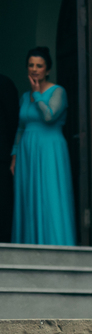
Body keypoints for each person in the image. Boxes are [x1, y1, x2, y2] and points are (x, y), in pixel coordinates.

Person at [10, 47, 74, 246]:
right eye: (31, 65)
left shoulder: (58, 91)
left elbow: (49, 116)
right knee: (28, 198)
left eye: (39, 66)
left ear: (47, 70)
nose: (34, 69)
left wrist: (37, 94)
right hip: (27, 153)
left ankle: (55, 244)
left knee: (49, 196)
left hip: (49, 150)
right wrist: (14, 156)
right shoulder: (23, 97)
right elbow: (20, 128)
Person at [0, 73, 18, 242]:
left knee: (3, 200)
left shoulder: (4, 84)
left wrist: (11, 152)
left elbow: (13, 120)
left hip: (2, 156)